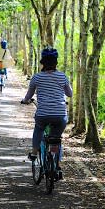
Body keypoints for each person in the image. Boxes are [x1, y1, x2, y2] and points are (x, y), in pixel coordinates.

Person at [20, 47, 72, 179]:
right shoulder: (62, 76)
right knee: (56, 139)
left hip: (43, 114)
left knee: (39, 128)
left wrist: (25, 101)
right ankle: (57, 165)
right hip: (60, 115)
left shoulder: (37, 77)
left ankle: (34, 152)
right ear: (56, 62)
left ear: (42, 62)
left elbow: (29, 95)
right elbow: (69, 94)